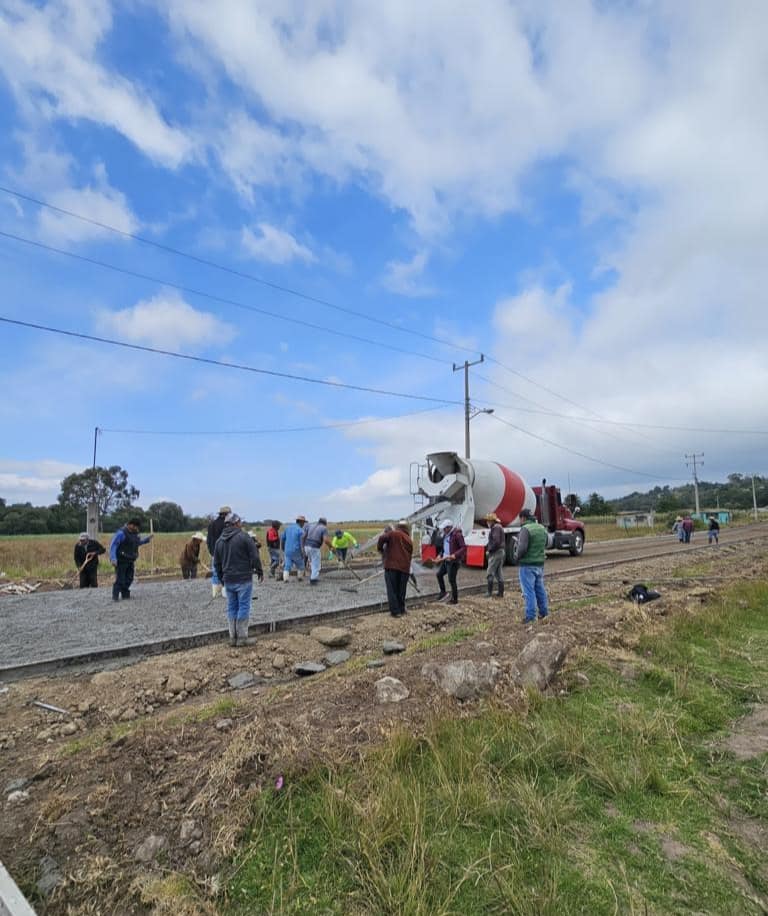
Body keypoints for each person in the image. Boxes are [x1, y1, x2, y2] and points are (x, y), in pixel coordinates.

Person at [213, 512, 264, 647]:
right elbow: (254, 556)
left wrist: (221, 579)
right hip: (243, 579)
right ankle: (242, 638)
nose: (241, 524)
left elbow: (217, 564)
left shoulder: (219, 541)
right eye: (240, 522)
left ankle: (232, 638)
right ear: (236, 523)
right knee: (243, 606)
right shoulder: (244, 537)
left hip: (228, 580)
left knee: (231, 607)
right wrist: (259, 570)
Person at [516, 508, 549, 624]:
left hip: (527, 565)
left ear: (523, 518)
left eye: (520, 519)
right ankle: (544, 612)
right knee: (540, 589)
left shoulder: (525, 529)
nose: (520, 521)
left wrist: (517, 557)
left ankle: (530, 616)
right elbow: (547, 543)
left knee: (528, 591)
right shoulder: (541, 528)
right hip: (539, 564)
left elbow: (522, 548)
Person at [109, 518, 152, 602]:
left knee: (129, 578)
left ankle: (125, 593)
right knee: (120, 579)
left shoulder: (134, 534)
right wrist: (113, 558)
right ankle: (115, 596)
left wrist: (146, 540)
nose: (137, 529)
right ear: (131, 525)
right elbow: (113, 546)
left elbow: (137, 543)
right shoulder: (121, 533)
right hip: (121, 560)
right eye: (136, 527)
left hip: (130, 560)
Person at [377, 520, 413, 617]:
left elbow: (381, 538)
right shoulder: (409, 539)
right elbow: (409, 555)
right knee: (401, 591)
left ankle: (395, 612)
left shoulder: (394, 534)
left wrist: (380, 549)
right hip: (405, 568)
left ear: (398, 527)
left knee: (392, 590)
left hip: (392, 567)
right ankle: (401, 609)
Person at [436, 519, 466, 605]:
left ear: (449, 528)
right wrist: (440, 555)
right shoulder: (446, 535)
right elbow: (444, 548)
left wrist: (455, 555)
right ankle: (443, 592)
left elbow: (463, 547)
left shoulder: (457, 535)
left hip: (453, 562)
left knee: (451, 580)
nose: (443, 530)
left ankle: (454, 599)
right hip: (446, 560)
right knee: (439, 574)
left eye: (445, 528)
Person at [207, 506, 231, 597]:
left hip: (214, 552)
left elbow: (208, 541)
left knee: (215, 572)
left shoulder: (211, 524)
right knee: (226, 571)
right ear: (226, 514)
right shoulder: (227, 525)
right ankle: (225, 592)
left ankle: (215, 593)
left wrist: (211, 552)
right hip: (225, 552)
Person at [302, 516, 331, 585]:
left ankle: (313, 576)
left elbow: (303, 537)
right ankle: (313, 580)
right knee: (316, 564)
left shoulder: (310, 526)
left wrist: (303, 547)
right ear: (325, 523)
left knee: (312, 563)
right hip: (314, 547)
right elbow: (326, 540)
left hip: (306, 546)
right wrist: (331, 546)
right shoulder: (324, 528)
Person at [485, 512, 505, 598]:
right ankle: (500, 593)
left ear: (492, 521)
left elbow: (496, 541)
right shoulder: (498, 527)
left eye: (488, 521)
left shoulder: (495, 528)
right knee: (498, 572)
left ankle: (489, 593)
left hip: (496, 552)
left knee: (490, 572)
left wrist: (489, 549)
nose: (487, 522)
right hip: (500, 552)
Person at [281, 515, 307, 581]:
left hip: (287, 550)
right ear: (301, 522)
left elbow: (282, 539)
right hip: (296, 550)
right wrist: (303, 553)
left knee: (287, 565)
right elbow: (301, 543)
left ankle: (285, 579)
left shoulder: (288, 528)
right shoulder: (301, 531)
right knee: (301, 565)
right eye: (303, 523)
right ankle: (300, 577)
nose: (304, 524)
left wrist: (283, 548)